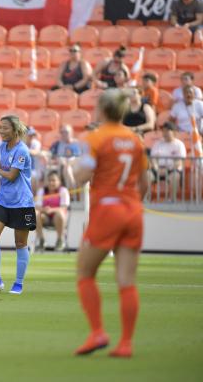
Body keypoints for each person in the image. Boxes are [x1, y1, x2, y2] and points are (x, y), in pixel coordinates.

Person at [72, 88, 149, 358]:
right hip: (133, 211)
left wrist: (74, 168)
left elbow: (81, 176)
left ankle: (98, 332)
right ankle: (126, 343)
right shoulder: (134, 139)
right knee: (127, 280)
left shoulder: (97, 137)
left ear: (102, 110)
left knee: (85, 273)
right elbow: (144, 183)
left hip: (107, 210)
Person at [0, 115, 36, 295]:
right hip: (2, 201)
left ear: (15, 130)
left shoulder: (21, 150)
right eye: (0, 128)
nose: (1, 131)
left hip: (22, 203)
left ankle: (19, 283)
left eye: (5, 128)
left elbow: (12, 175)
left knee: (20, 243)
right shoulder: (2, 147)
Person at [150, 122, 187, 201]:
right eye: (163, 131)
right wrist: (156, 169)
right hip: (158, 169)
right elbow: (153, 159)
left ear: (173, 132)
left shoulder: (179, 144)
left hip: (172, 170)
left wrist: (168, 170)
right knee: (147, 175)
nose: (164, 133)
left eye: (167, 131)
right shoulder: (158, 143)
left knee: (175, 176)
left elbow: (179, 161)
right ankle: (144, 200)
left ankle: (172, 199)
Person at [34, 170, 70, 252]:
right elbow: (38, 207)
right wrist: (44, 210)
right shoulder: (42, 191)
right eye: (49, 180)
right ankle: (41, 240)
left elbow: (64, 207)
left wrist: (52, 210)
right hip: (44, 218)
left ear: (59, 181)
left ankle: (60, 240)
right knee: (35, 213)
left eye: (54, 180)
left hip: (58, 219)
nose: (51, 183)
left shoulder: (63, 191)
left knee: (60, 213)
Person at [50, 125, 82, 189]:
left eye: (66, 132)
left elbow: (80, 157)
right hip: (60, 165)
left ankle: (72, 191)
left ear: (71, 133)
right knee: (67, 168)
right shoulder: (57, 144)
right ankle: (72, 191)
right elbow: (51, 155)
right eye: (62, 132)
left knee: (68, 168)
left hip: (75, 166)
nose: (64, 134)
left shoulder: (77, 143)